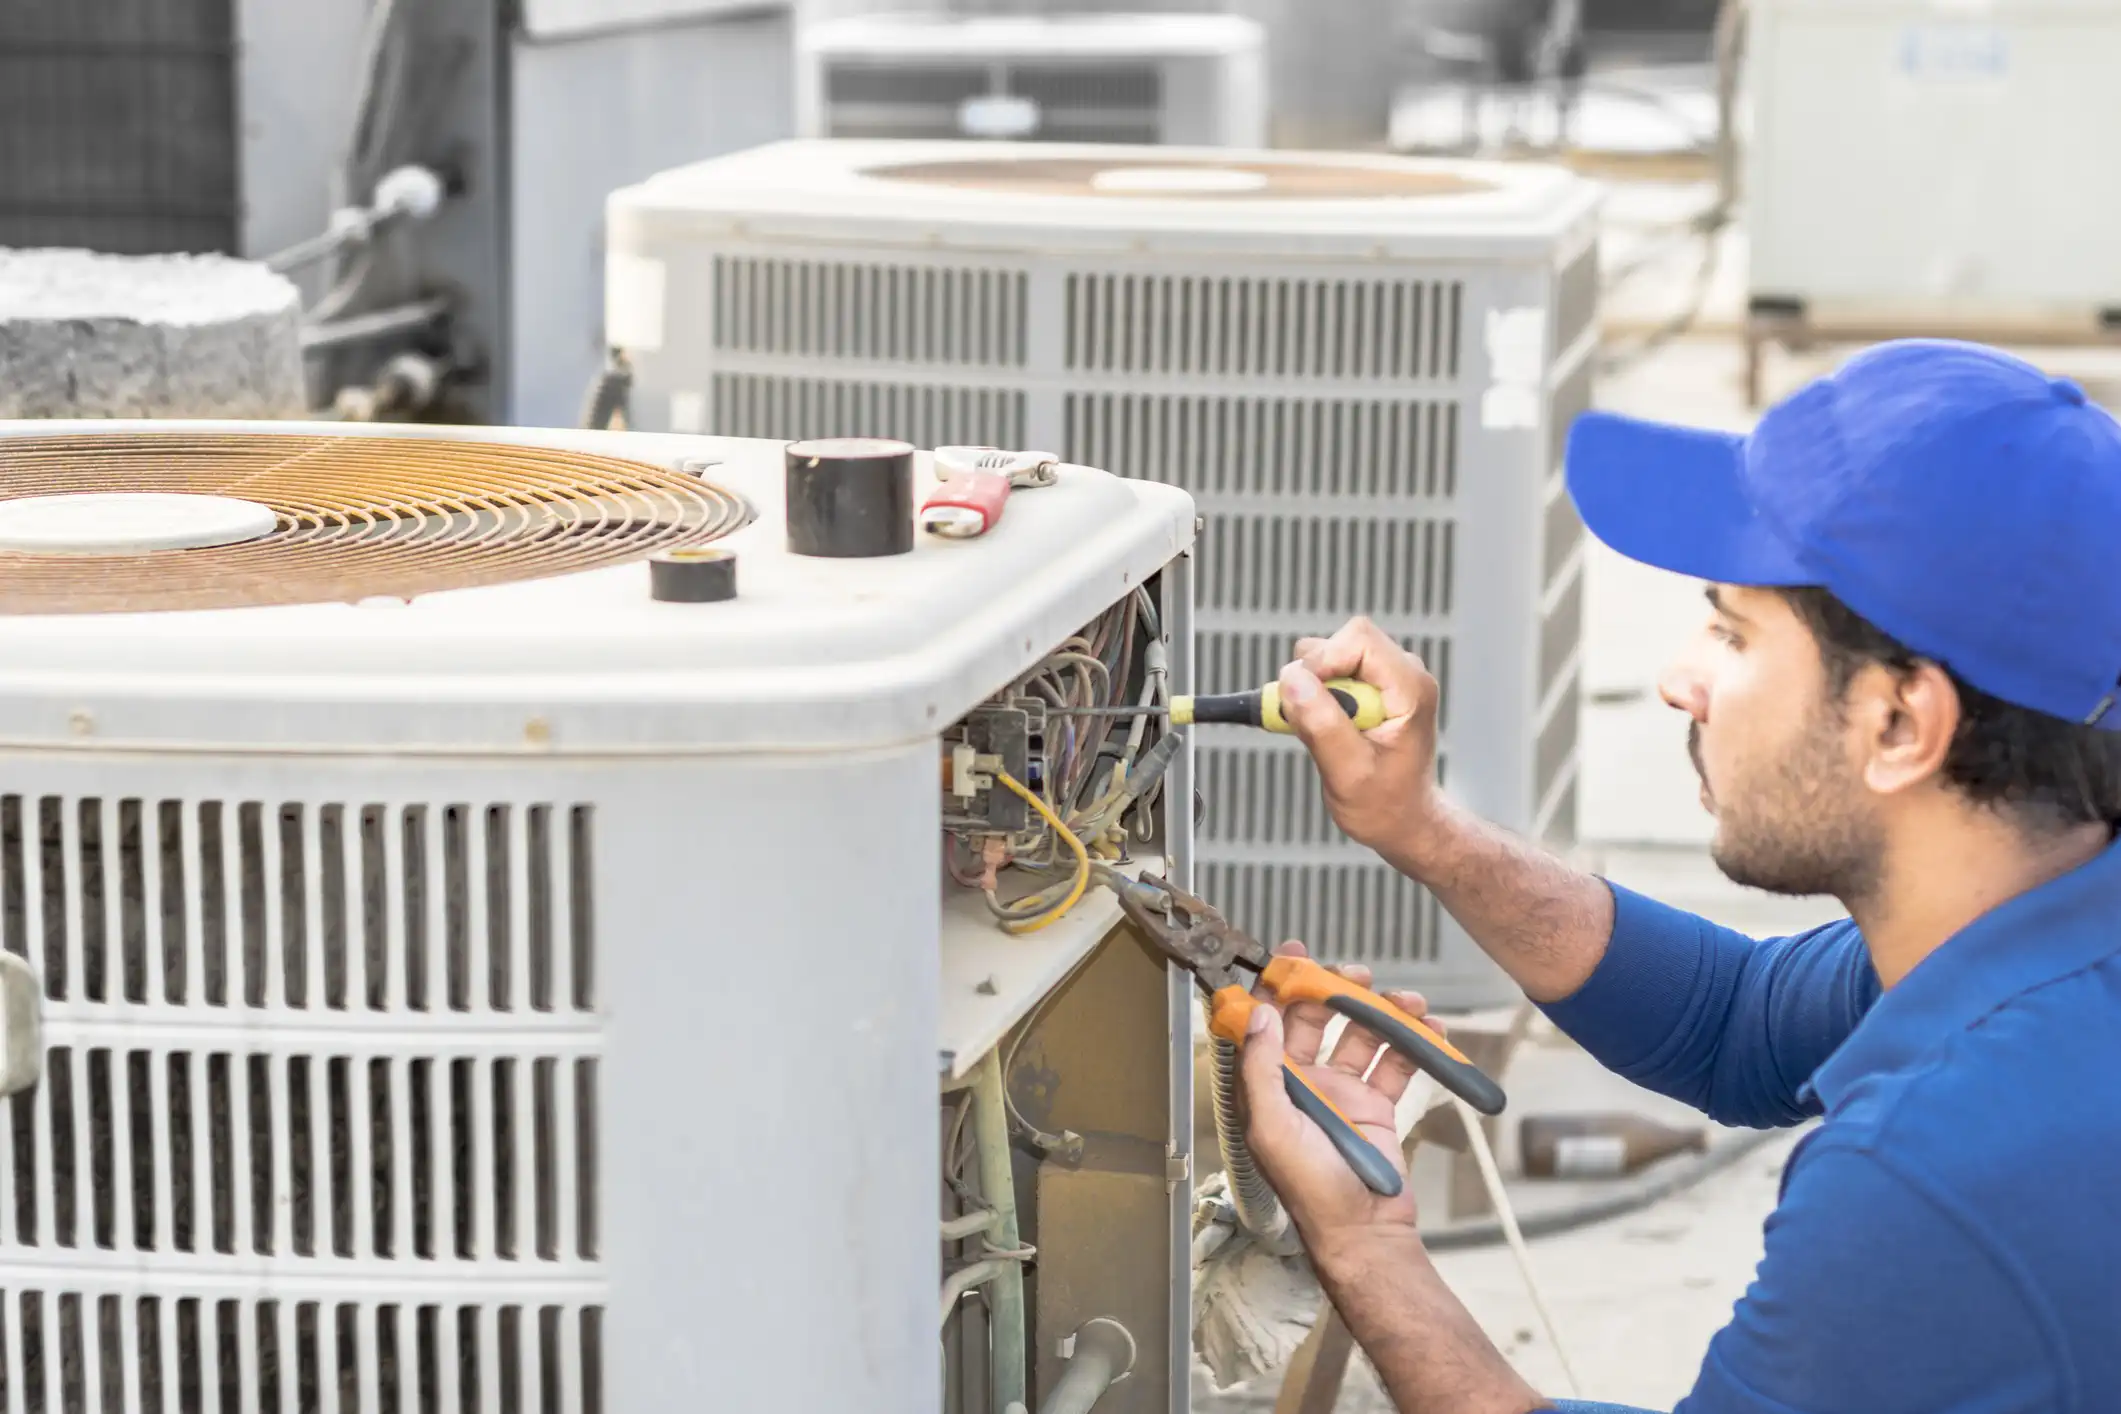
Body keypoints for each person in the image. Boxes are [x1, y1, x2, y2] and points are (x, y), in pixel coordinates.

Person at [1237, 340, 2121, 1413]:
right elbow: (1734, 1022)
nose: (1676, 679)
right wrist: (1422, 826)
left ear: (1900, 722)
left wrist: (1363, 1241)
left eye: (1731, 630)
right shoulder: (2043, 891)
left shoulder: (1935, 1172)